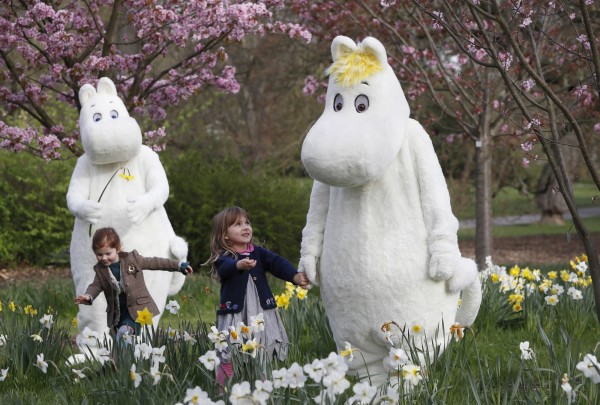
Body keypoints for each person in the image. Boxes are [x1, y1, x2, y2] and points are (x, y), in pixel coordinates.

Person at [205, 206, 309, 384]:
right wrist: (238, 265)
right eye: (237, 224)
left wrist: (294, 276)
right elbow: (224, 268)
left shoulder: (259, 253)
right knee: (230, 347)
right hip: (236, 312)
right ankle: (224, 388)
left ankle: (262, 386)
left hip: (261, 311)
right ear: (225, 235)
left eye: (247, 222)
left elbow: (277, 263)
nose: (245, 227)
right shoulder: (224, 257)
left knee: (263, 345)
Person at [74, 227, 193, 341]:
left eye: (108, 253)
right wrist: (88, 296)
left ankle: (125, 360)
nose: (104, 258)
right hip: (118, 312)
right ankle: (122, 361)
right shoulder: (101, 270)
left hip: (137, 310)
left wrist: (178, 265)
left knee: (124, 333)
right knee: (120, 341)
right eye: (99, 255)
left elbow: (156, 262)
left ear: (118, 249)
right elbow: (95, 286)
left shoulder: (132, 260)